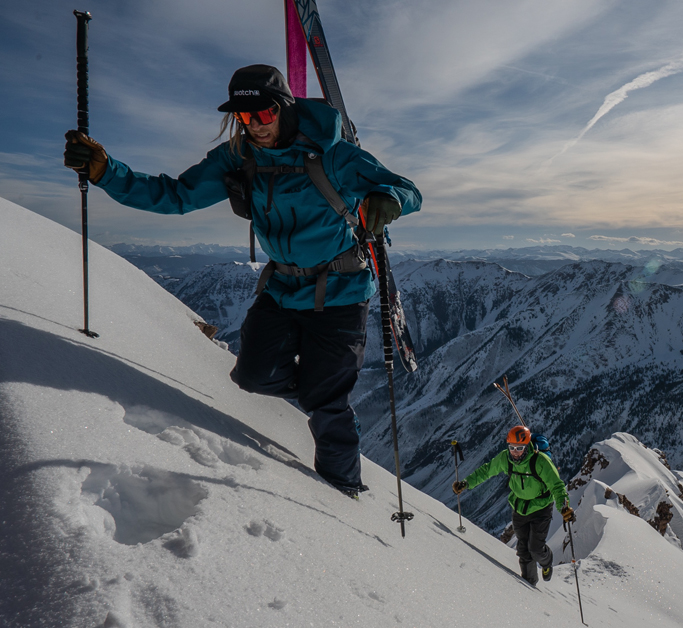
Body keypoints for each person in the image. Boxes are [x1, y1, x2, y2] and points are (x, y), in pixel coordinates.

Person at [63, 64, 421, 498]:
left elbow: (406, 188)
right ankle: (323, 394)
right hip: (283, 289)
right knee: (252, 376)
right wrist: (106, 172)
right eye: (243, 117)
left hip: (341, 294)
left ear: (284, 108)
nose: (253, 125)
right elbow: (177, 195)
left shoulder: (334, 155)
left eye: (263, 114)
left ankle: (343, 492)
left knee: (328, 407)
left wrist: (390, 198)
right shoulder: (239, 156)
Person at [454, 426, 574, 586]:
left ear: (526, 446)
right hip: (519, 508)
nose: (515, 452)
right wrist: (466, 483)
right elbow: (487, 470)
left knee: (536, 549)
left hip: (541, 508)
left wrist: (563, 507)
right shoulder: (506, 459)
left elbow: (557, 486)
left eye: (519, 448)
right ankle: (529, 585)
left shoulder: (540, 461)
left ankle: (547, 561)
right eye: (512, 448)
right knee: (524, 550)